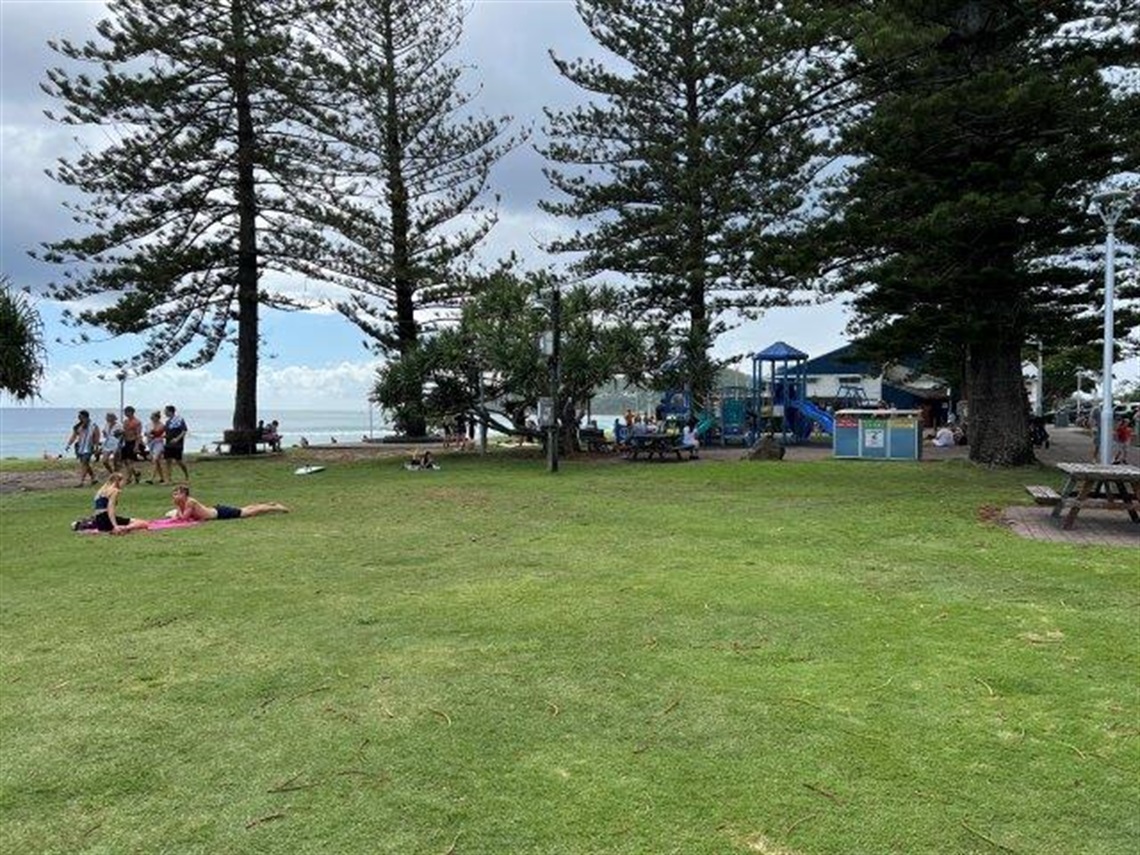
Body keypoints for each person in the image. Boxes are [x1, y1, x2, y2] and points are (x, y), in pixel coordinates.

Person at [170, 484, 289, 521]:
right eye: (174, 494)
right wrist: (178, 509)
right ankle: (269, 504)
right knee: (245, 509)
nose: (175, 496)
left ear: (185, 495)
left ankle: (277, 508)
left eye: (177, 494)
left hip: (220, 513)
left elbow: (184, 518)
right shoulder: (184, 503)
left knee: (247, 513)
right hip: (217, 510)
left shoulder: (190, 502)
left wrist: (177, 509)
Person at [64, 410, 101, 487]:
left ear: (86, 417)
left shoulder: (94, 426)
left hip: (89, 447)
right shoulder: (78, 426)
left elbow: (97, 438)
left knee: (84, 463)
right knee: (85, 464)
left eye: (80, 417)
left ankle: (81, 482)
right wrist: (68, 445)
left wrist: (97, 448)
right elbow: (74, 436)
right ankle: (93, 478)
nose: (79, 418)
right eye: (79, 417)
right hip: (80, 448)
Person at [162, 404, 190, 483]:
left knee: (179, 461)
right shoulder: (168, 422)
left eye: (166, 411)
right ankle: (168, 480)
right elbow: (168, 432)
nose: (165, 413)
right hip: (168, 444)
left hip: (177, 445)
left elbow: (184, 431)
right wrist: (164, 436)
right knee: (167, 461)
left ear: (170, 411)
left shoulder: (179, 420)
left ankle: (186, 476)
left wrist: (177, 439)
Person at [119, 405, 144, 484]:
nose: (125, 413)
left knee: (130, 461)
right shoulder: (125, 421)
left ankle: (128, 479)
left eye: (126, 412)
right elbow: (124, 432)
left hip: (133, 442)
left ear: (131, 412)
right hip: (126, 442)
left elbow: (138, 434)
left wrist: (136, 446)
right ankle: (136, 473)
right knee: (126, 461)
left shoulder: (137, 422)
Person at [145, 411, 167, 483]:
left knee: (155, 459)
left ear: (157, 417)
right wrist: (148, 435)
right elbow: (146, 433)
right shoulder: (148, 425)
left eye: (153, 417)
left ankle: (151, 478)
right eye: (151, 417)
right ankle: (162, 478)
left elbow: (164, 434)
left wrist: (156, 435)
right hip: (151, 443)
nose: (151, 418)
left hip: (158, 443)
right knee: (157, 461)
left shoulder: (162, 425)